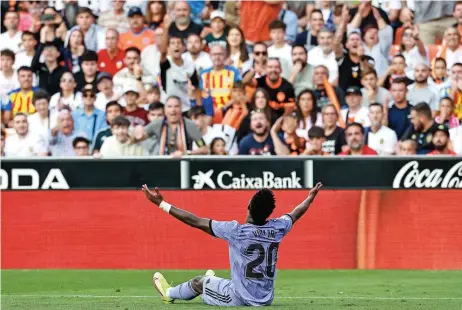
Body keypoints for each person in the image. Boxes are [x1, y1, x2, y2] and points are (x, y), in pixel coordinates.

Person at [145, 181, 323, 306]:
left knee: (200, 282)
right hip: (265, 298)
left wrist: (161, 204)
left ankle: (169, 294)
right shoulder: (278, 227)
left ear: (249, 206)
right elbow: (296, 213)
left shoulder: (236, 231)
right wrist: (310, 197)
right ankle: (211, 282)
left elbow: (195, 221)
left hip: (240, 298)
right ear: (269, 213)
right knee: (212, 280)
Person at [133, 96, 208, 157]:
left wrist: (186, 154)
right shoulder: (158, 123)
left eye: (176, 106)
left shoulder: (190, 125)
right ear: (165, 109)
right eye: (169, 106)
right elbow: (138, 139)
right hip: (161, 165)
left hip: (183, 166)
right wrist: (137, 133)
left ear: (181, 108)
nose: (173, 110)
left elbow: (205, 149)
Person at [159, 16, 199, 113]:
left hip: (184, 108)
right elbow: (163, 52)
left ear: (184, 47)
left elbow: (196, 88)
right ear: (168, 47)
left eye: (178, 43)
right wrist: (166, 28)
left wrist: (198, 107)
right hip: (167, 108)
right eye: (172, 43)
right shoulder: (166, 63)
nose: (176, 45)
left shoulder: (190, 66)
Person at [200, 44, 242, 122]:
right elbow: (203, 96)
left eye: (220, 54)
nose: (217, 57)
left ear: (225, 55)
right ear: (210, 56)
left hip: (230, 110)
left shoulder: (233, 72)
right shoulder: (204, 74)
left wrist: (224, 108)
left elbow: (239, 94)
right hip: (209, 112)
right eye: (214, 54)